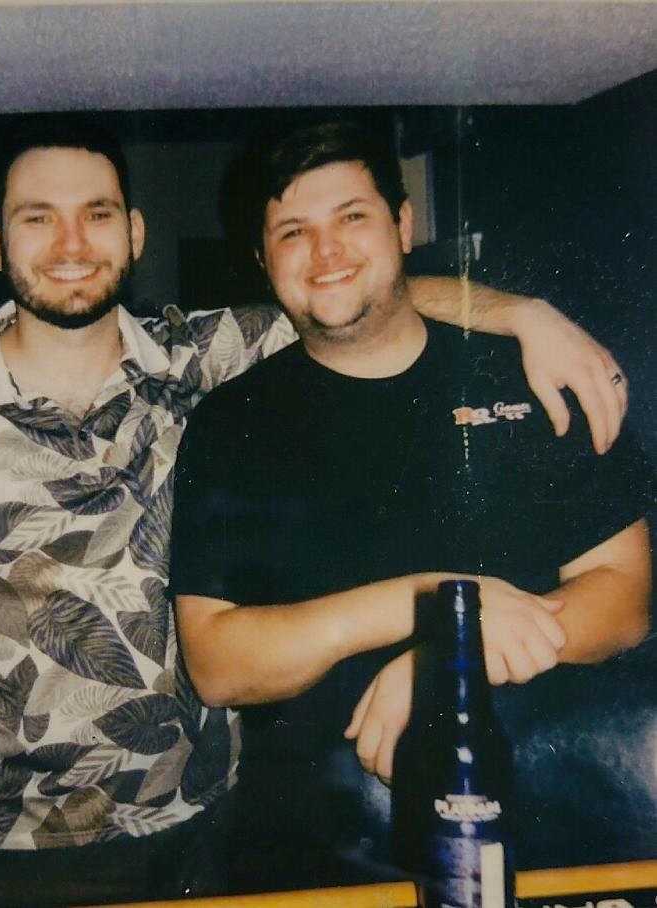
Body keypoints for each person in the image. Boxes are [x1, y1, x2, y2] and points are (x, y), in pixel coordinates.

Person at [0, 117, 634, 908]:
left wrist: (527, 315)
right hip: (38, 858)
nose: (71, 242)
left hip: (221, 829)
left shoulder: (194, 358)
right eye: (37, 217)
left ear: (133, 233)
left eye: (97, 213)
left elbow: (350, 297)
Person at [169, 119, 652, 892]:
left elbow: (625, 597)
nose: (326, 251)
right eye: (294, 232)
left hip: (564, 784)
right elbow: (219, 665)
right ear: (263, 259)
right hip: (340, 820)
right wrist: (435, 608)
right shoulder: (233, 424)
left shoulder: (528, 373)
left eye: (352, 216)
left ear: (402, 224)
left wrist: (450, 666)